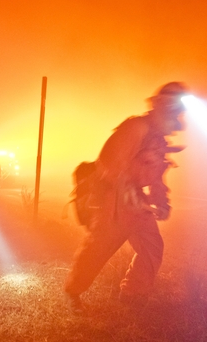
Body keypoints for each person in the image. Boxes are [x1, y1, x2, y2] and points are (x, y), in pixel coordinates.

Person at [63, 82, 188, 313]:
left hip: (137, 204)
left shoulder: (159, 142)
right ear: (164, 108)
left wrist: (162, 202)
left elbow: (158, 179)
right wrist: (127, 192)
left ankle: (133, 294)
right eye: (175, 111)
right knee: (99, 249)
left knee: (152, 247)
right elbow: (109, 161)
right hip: (114, 201)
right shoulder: (136, 127)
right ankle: (74, 293)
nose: (177, 120)